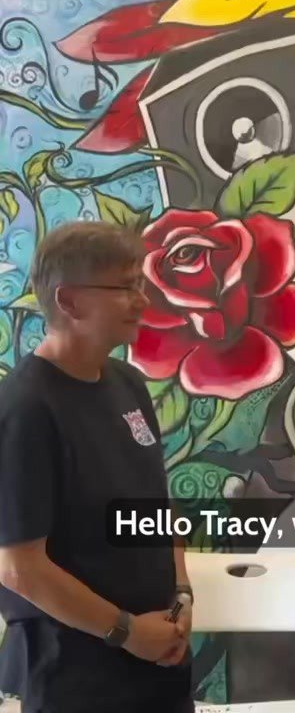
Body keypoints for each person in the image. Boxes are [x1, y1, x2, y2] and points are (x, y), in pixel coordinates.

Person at [0, 221, 195, 712]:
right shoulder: (25, 409)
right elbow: (20, 568)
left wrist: (181, 594)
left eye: (140, 283)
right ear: (68, 301)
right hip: (78, 675)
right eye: (125, 287)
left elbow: (156, 503)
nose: (142, 300)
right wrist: (127, 632)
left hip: (158, 658)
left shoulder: (128, 383)